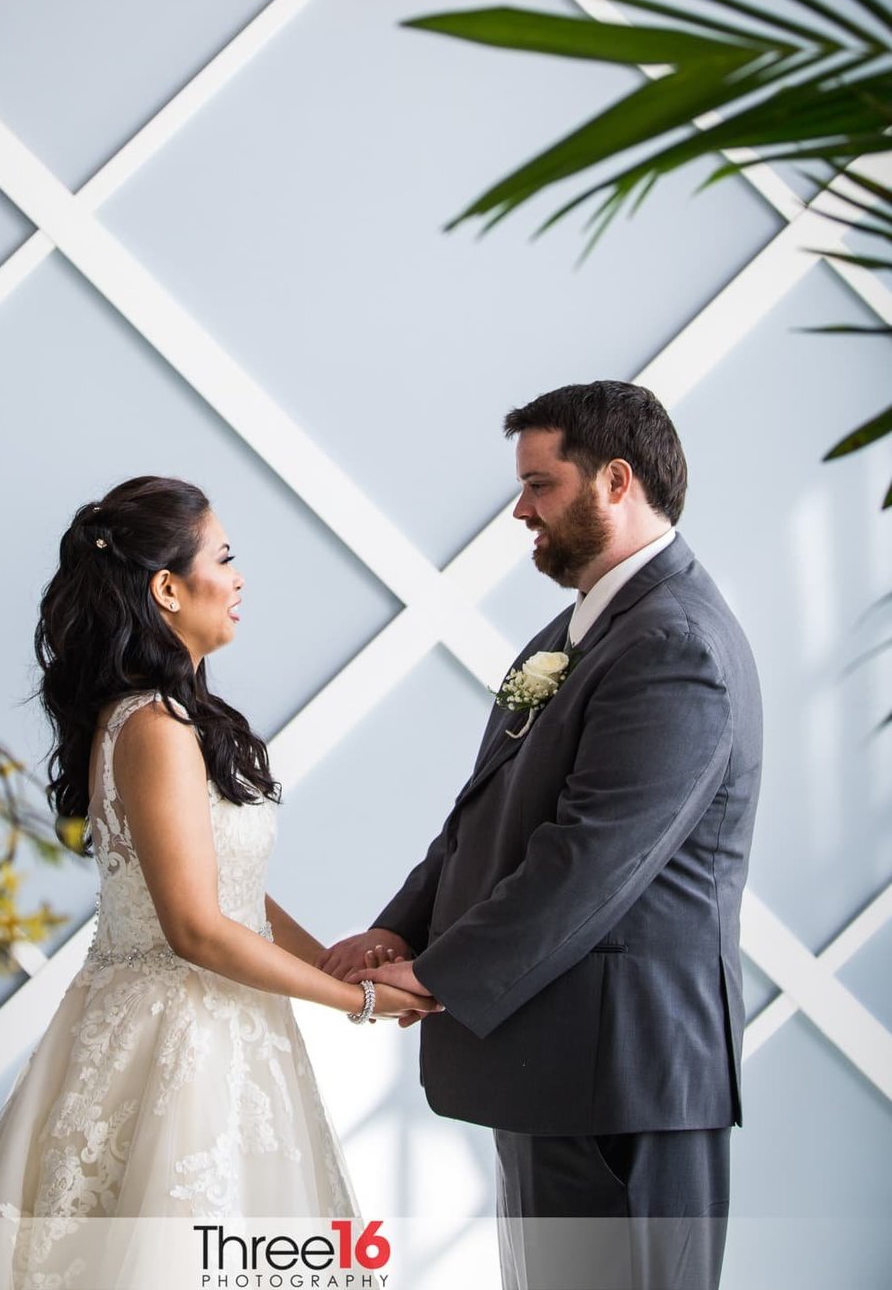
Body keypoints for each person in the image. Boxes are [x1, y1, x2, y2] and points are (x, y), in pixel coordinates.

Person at [0, 474, 433, 1290]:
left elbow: (234, 894)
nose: (239, 576)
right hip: (172, 1044)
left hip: (233, 1033)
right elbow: (194, 928)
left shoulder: (178, 718)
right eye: (223, 557)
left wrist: (330, 959)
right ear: (167, 588)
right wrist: (358, 1003)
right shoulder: (149, 727)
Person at [321, 382, 763, 1290]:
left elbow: (591, 856)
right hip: (556, 1059)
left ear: (614, 480)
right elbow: (484, 812)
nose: (520, 510)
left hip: (623, 1074)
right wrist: (401, 928)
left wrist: (439, 974)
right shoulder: (577, 634)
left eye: (539, 485)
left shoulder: (675, 644)